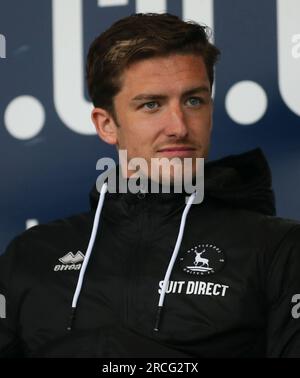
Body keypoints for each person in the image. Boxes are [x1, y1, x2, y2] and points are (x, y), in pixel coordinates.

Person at [1, 12, 300, 358]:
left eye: (193, 101)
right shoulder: (30, 256)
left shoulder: (279, 249)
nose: (178, 126)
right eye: (152, 105)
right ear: (106, 124)